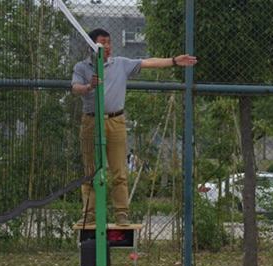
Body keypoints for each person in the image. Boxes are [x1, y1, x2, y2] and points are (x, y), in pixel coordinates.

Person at [72, 28, 197, 226]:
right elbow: (76, 88)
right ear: (92, 45)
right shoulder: (81, 67)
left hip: (116, 121)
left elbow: (148, 62)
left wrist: (174, 61)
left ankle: (121, 213)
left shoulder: (121, 64)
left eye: (109, 42)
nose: (107, 46)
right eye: (103, 42)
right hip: (91, 121)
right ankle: (89, 214)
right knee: (90, 170)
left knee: (119, 171)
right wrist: (89, 86)